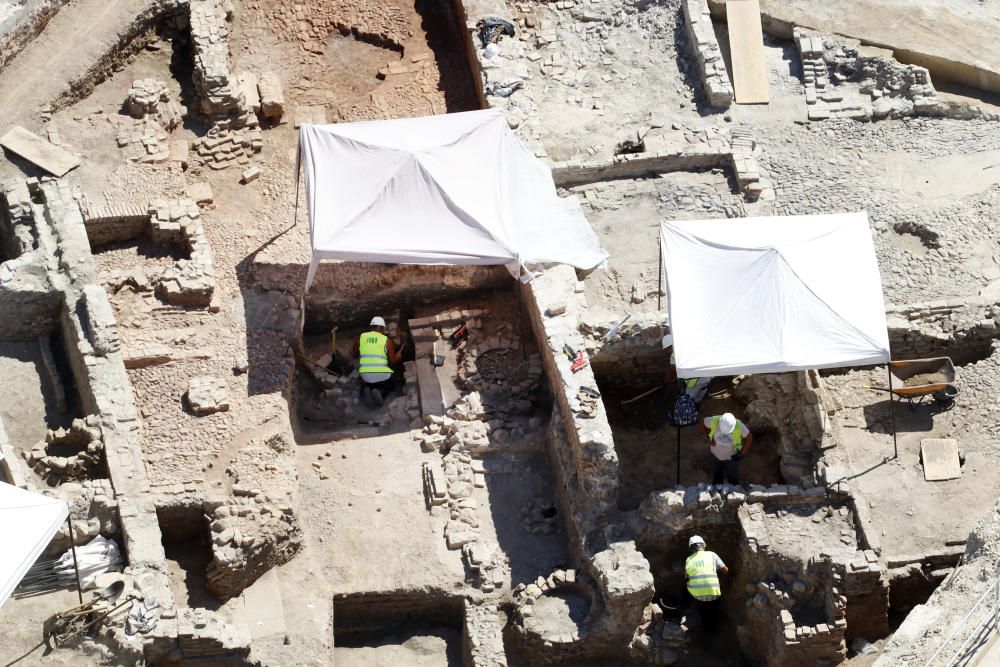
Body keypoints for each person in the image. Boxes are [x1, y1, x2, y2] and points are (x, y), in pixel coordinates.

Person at [352, 316, 403, 407]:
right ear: (382, 328)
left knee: (367, 378)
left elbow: (355, 354)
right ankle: (381, 392)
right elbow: (393, 361)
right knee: (394, 381)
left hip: (365, 376)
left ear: (371, 327)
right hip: (382, 376)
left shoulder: (361, 337)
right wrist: (398, 356)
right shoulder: (387, 341)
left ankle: (366, 389)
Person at [685, 535, 728, 632]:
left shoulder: (688, 560)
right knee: (713, 611)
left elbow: (687, 577)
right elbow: (725, 570)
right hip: (714, 593)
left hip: (698, 595)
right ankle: (713, 626)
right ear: (703, 545)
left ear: (691, 549)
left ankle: (705, 626)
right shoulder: (712, 555)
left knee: (702, 611)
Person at [700, 412, 751, 485]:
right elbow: (702, 422)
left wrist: (742, 453)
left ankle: (734, 489)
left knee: (733, 477)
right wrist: (707, 437)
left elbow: (749, 437)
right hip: (716, 455)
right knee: (717, 475)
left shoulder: (739, 426)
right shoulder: (714, 421)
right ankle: (717, 487)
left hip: (732, 457)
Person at [662, 335, 712, 404]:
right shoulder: (687, 346)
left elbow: (671, 371)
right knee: (701, 391)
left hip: (695, 380)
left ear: (670, 346)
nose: (667, 352)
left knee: (686, 400)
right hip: (708, 374)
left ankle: (689, 409)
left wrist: (666, 381)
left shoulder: (673, 356)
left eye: (666, 349)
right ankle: (698, 403)